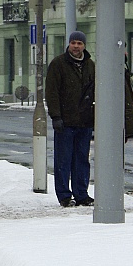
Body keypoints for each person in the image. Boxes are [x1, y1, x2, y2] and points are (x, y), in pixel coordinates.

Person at [46, 31, 95, 207]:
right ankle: (64, 196)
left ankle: (81, 194)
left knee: (82, 159)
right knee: (63, 160)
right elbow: (52, 92)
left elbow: (95, 91)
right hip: (65, 122)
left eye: (79, 43)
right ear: (69, 44)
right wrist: (56, 116)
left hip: (85, 122)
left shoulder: (90, 65)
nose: (76, 46)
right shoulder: (58, 64)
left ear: (84, 45)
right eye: (73, 43)